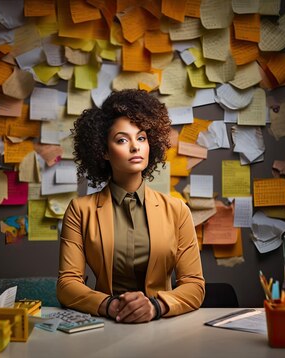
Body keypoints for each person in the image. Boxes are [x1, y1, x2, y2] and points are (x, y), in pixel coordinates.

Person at [57, 89, 205, 323]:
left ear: (150, 144)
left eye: (142, 138)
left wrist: (156, 307)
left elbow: (194, 286)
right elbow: (67, 285)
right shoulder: (80, 210)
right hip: (106, 324)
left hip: (164, 326)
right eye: (122, 140)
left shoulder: (177, 210)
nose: (135, 147)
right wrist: (110, 305)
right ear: (104, 151)